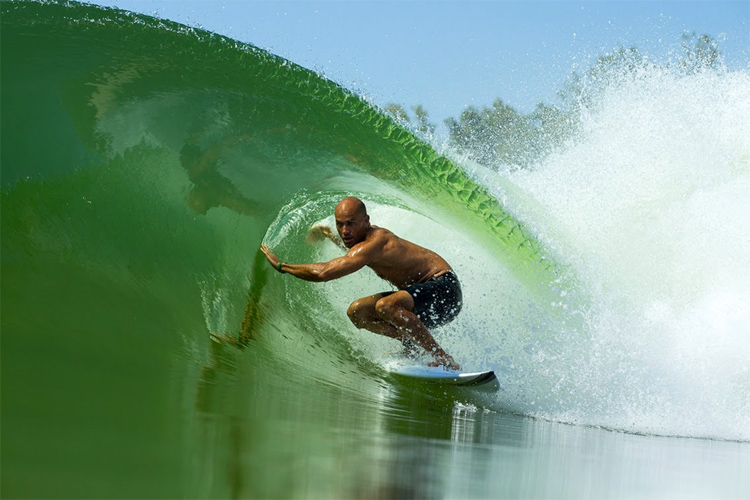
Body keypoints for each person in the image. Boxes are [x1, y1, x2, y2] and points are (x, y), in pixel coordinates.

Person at [260, 197, 462, 370]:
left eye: (351, 223)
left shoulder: (377, 240)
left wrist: (282, 265)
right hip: (422, 301)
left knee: (387, 305)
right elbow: (353, 256)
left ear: (366, 221)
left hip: (444, 290)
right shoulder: (362, 245)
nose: (345, 230)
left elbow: (324, 273)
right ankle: (410, 343)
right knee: (357, 312)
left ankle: (441, 357)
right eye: (340, 224)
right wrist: (330, 235)